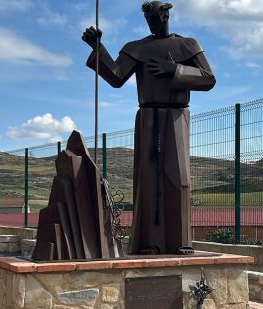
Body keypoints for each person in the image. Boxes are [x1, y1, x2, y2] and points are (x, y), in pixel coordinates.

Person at [83, 1, 216, 255]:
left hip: (176, 116)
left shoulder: (187, 44)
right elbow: (116, 76)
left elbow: (208, 79)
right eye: (148, 19)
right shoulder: (138, 47)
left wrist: (174, 69)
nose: (152, 23)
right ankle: (149, 243)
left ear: (166, 15)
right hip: (147, 118)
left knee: (178, 178)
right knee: (148, 178)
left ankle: (180, 241)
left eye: (155, 18)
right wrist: (98, 48)